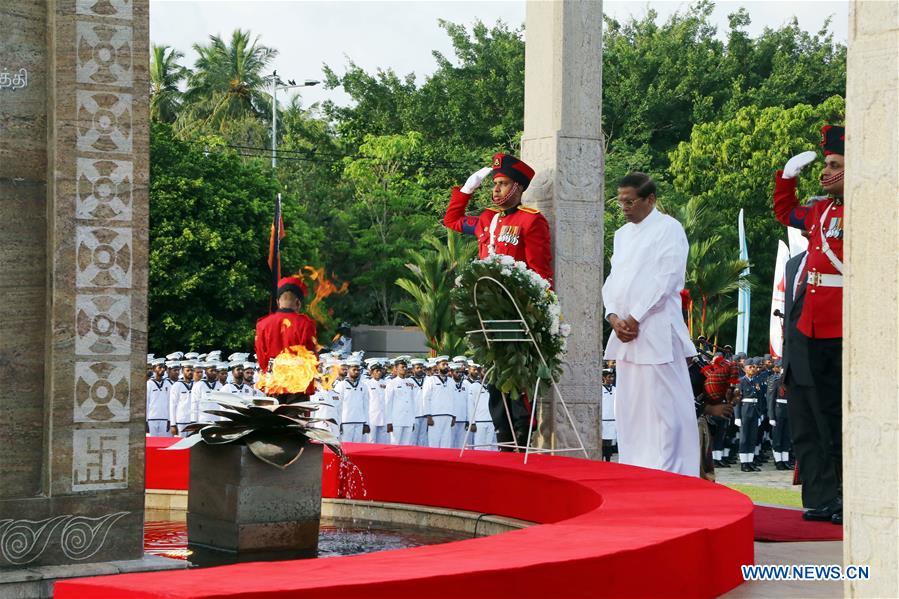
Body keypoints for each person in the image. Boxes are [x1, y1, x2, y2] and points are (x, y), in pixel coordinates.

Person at [444, 153, 552, 450]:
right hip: (486, 313)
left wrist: (536, 312)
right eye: (494, 185)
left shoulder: (531, 221)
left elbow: (540, 273)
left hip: (514, 313)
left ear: (517, 188)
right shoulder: (486, 220)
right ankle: (504, 440)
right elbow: (451, 219)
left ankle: (519, 442)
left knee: (515, 383)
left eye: (503, 184)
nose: (495, 191)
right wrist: (467, 189)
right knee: (494, 382)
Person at [601, 172, 699, 476]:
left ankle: (672, 471)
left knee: (664, 408)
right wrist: (614, 316)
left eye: (630, 202)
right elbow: (613, 280)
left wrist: (635, 316)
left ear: (650, 199)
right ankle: (634, 468)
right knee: (630, 407)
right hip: (625, 333)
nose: (625, 208)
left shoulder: (669, 229)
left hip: (655, 328)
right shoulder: (621, 235)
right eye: (621, 203)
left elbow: (667, 279)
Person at [773, 125, 845, 524]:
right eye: (826, 164)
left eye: (835, 165)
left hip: (840, 322)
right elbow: (785, 212)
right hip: (809, 325)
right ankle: (820, 498)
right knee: (809, 416)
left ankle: (846, 494)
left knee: (836, 416)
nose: (826, 171)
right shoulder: (820, 210)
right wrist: (787, 177)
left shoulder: (864, 207)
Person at [254, 276, 318, 400]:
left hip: (274, 382)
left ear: (278, 302)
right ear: (298, 303)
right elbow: (311, 355)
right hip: (298, 383)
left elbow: (261, 357)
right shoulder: (306, 323)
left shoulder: (263, 324)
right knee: (296, 419)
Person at [766, 361, 793, 470]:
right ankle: (778, 461)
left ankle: (785, 460)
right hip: (778, 411)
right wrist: (771, 416)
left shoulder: (791, 382)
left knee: (786, 436)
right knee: (777, 437)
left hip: (788, 411)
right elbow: (770, 399)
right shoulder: (776, 381)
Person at [336, 358, 369, 444]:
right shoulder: (341, 385)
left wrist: (366, 423)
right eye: (354, 369)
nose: (356, 372)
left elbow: (366, 405)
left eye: (358, 370)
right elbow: (338, 406)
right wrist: (339, 423)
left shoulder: (363, 386)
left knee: (357, 447)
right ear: (348, 370)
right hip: (346, 421)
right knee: (345, 446)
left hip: (360, 421)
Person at [385, 358, 415, 445]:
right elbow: (388, 403)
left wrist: (413, 420)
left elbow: (412, 402)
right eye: (402, 367)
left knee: (406, 445)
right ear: (396, 368)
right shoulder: (391, 383)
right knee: (395, 444)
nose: (404, 369)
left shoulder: (410, 382)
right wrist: (389, 421)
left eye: (405, 367)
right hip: (396, 419)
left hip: (408, 419)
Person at [364, 360, 389, 444]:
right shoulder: (366, 384)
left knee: (382, 441)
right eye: (376, 371)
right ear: (371, 372)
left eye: (380, 370)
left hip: (383, 416)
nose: (379, 373)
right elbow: (365, 402)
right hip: (371, 417)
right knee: (371, 440)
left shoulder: (386, 383)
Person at [146, 358, 171, 436]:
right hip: (151, 418)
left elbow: (170, 403)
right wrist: (146, 420)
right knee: (152, 443)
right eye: (159, 367)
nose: (162, 369)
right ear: (154, 369)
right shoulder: (148, 384)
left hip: (164, 418)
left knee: (163, 443)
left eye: (163, 367)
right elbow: (146, 403)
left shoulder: (168, 383)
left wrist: (169, 419)